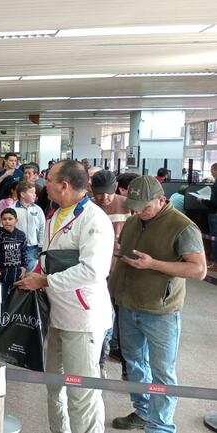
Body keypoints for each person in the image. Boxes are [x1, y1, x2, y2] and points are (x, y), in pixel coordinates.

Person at [15, 159, 114, 433]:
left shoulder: (94, 219)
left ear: (64, 185)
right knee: (54, 385)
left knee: (81, 394)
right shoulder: (55, 214)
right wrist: (35, 273)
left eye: (48, 180)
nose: (43, 184)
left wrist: (45, 280)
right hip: (56, 315)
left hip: (83, 320)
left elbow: (94, 270)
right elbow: (48, 257)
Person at [110, 176, 206, 432]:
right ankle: (142, 411)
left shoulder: (182, 226)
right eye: (135, 207)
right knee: (134, 363)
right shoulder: (133, 222)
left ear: (162, 200)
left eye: (145, 207)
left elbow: (199, 270)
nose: (139, 212)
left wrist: (153, 264)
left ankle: (160, 426)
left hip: (161, 311)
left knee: (162, 370)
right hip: (128, 305)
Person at [90, 170, 131, 377]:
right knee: (102, 317)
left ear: (115, 188)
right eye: (99, 193)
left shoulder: (127, 205)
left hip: (122, 269)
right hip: (96, 271)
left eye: (108, 193)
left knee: (123, 317)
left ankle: (126, 364)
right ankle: (100, 360)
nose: (104, 198)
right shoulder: (88, 206)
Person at [0, 208, 27, 308]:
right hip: (2, 273)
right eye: (4, 219)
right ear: (1, 221)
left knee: (16, 300)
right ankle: (1, 316)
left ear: (16, 220)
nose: (7, 221)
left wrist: (24, 267)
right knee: (1, 299)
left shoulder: (21, 235)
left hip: (17, 273)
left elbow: (24, 252)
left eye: (10, 219)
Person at [12, 182, 46, 271]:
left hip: (33, 247)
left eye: (35, 193)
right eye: (31, 192)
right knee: (17, 271)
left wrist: (41, 244)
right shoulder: (12, 209)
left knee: (31, 272)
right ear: (22, 194)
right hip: (16, 246)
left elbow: (42, 228)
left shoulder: (38, 209)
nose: (35, 195)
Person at [196, 163, 217, 270]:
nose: (211, 173)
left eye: (212, 170)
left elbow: (214, 204)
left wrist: (202, 200)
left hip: (215, 214)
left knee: (215, 239)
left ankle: (216, 264)